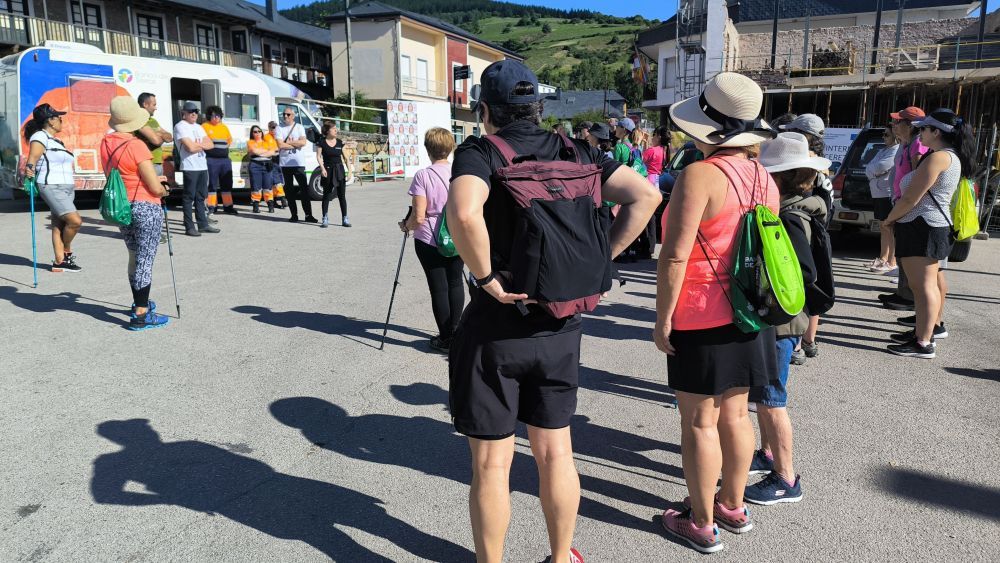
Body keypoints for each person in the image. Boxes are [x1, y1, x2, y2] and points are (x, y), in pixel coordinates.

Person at [447, 59, 660, 563]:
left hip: (498, 327)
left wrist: (486, 278)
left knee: (493, 464)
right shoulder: (577, 149)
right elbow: (646, 195)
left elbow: (461, 211)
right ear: (538, 108)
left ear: (484, 111)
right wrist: (596, 257)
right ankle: (562, 556)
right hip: (562, 324)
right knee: (556, 452)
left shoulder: (481, 151)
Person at [654, 72, 777, 554]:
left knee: (699, 422)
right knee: (736, 414)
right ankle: (733, 503)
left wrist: (663, 317)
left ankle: (701, 523)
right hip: (749, 311)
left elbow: (675, 255)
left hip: (702, 311)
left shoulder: (701, 174)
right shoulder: (763, 175)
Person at [745, 132, 832, 506]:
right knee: (767, 395)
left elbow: (804, 273)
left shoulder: (791, 216)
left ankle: (785, 477)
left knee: (772, 400)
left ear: (777, 178)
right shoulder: (805, 206)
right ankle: (766, 454)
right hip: (789, 320)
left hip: (782, 320)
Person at [884, 109, 972, 359]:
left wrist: (889, 219)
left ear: (936, 132)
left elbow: (912, 196)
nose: (918, 132)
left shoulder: (939, 158)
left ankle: (923, 341)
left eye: (923, 129)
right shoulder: (944, 156)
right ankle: (921, 334)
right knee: (924, 285)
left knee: (923, 287)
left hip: (922, 225)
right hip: (925, 225)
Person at [101, 97, 170, 330]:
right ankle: (141, 313)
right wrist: (163, 189)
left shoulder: (106, 143)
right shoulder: (136, 145)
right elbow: (153, 186)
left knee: (134, 255)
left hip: (123, 206)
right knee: (145, 258)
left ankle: (138, 302)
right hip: (145, 205)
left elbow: (119, 174)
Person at [399, 127, 463, 352]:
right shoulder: (460, 172)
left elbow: (418, 216)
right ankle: (456, 332)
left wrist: (405, 226)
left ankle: (445, 338)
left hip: (430, 237)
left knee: (439, 288)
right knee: (455, 283)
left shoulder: (423, 176)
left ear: (428, 150)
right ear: (451, 147)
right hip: (458, 234)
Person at [778, 113, 830, 361]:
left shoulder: (803, 163)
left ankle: (798, 343)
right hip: (815, 227)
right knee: (811, 283)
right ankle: (808, 340)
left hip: (801, 224)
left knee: (799, 278)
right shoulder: (821, 165)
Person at [24, 103, 83, 272]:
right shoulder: (40, 137)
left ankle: (59, 262)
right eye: (59, 118)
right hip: (51, 185)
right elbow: (32, 159)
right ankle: (66, 252)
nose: (61, 121)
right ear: (50, 121)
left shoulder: (57, 141)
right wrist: (29, 172)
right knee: (74, 221)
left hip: (66, 187)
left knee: (59, 224)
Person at [880, 107, 929, 312]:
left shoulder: (917, 145)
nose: (894, 125)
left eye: (898, 122)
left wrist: (904, 205)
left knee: (908, 254)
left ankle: (908, 297)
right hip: (901, 202)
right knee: (902, 252)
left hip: (909, 206)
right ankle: (903, 292)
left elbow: (918, 178)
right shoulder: (907, 144)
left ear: (910, 125)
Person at [173, 102, 220, 237]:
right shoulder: (180, 126)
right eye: (191, 111)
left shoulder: (199, 127)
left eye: (196, 111)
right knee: (189, 198)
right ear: (184, 113)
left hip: (202, 166)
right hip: (190, 166)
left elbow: (211, 144)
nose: (194, 114)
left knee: (201, 197)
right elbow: (190, 148)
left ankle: (203, 224)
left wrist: (197, 145)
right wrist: (201, 145)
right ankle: (189, 227)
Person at [865, 127, 900, 273]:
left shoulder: (896, 149)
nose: (883, 137)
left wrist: (872, 171)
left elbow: (881, 166)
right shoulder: (882, 150)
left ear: (894, 136)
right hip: (877, 192)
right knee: (882, 226)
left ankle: (892, 261)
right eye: (883, 134)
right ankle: (883, 258)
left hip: (886, 192)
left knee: (889, 227)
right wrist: (873, 171)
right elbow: (870, 167)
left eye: (886, 134)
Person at [275, 109, 314, 223]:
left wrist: (289, 143)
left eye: (288, 114)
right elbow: (280, 144)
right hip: (285, 163)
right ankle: (294, 215)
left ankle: (308, 215)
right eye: (284, 114)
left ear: (293, 116)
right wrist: (295, 144)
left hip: (298, 163)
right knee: (289, 190)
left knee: (304, 190)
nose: (285, 116)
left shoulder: (299, 127)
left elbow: (303, 143)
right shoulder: (279, 128)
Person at [202, 106, 237, 215]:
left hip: (225, 160)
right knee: (212, 184)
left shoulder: (224, 127)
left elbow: (229, 140)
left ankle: (228, 206)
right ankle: (212, 206)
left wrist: (223, 147)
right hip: (211, 160)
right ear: (209, 116)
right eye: (213, 115)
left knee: (227, 184)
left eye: (218, 115)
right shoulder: (204, 126)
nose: (216, 118)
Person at [316, 122, 348, 228]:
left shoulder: (340, 143)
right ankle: (325, 218)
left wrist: (351, 171)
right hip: (328, 170)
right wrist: (322, 168)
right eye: (333, 128)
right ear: (327, 131)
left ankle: (345, 218)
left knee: (341, 196)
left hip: (339, 170)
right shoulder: (322, 142)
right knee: (327, 195)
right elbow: (318, 156)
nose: (336, 130)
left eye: (336, 128)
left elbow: (346, 157)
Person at [135, 93, 173, 178]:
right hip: (148, 163)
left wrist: (158, 135)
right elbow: (156, 141)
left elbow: (170, 137)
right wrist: (161, 135)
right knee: (154, 190)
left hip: (158, 163)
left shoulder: (153, 121)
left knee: (160, 190)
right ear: (145, 104)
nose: (156, 108)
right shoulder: (139, 120)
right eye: (154, 105)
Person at [247, 125, 278, 213]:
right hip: (255, 166)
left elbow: (274, 152)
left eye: (259, 131)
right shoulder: (250, 142)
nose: (257, 133)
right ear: (252, 134)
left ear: (262, 132)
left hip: (267, 165)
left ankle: (270, 205)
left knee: (268, 187)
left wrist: (261, 152)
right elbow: (254, 151)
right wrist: (267, 152)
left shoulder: (267, 141)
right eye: (255, 132)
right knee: (256, 187)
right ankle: (256, 206)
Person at [265, 121, 288, 209]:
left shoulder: (279, 136)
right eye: (272, 127)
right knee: (275, 180)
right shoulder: (266, 137)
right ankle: (282, 199)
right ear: (269, 128)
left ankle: (276, 200)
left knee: (277, 181)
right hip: (271, 160)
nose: (274, 129)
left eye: (275, 127)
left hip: (279, 159)